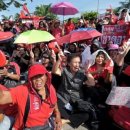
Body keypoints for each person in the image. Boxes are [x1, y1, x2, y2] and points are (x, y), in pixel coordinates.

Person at [0, 64, 62, 130]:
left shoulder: (50, 88)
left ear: (46, 76)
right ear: (30, 79)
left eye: (41, 75)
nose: (38, 79)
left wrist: (57, 115)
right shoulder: (23, 90)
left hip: (45, 125)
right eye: (34, 76)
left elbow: (54, 103)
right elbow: (2, 98)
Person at [52, 51, 95, 128]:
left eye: (79, 62)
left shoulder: (82, 73)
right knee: (59, 110)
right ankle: (73, 118)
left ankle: (66, 120)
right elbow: (55, 71)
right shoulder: (64, 70)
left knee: (87, 114)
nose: (77, 65)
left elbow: (92, 83)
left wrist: (87, 71)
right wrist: (59, 60)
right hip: (63, 97)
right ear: (69, 63)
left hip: (76, 100)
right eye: (75, 62)